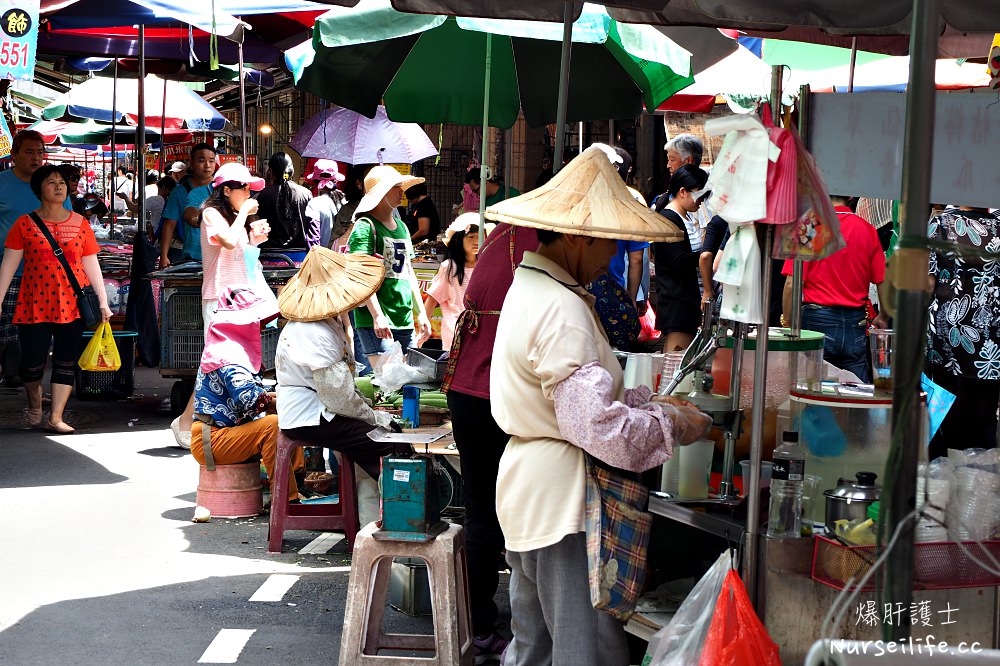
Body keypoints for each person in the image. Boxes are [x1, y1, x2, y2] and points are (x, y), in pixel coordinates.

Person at [487, 146, 712, 666]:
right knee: (580, 650)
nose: (611, 252)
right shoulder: (561, 306)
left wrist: (646, 402)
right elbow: (593, 423)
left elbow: (575, 397)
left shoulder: (532, 286)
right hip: (562, 503)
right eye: (607, 240)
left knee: (534, 647)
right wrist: (670, 422)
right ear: (577, 236)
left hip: (530, 492)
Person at [442, 215, 539, 664]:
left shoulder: (505, 235)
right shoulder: (539, 248)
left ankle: (479, 623)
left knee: (483, 509)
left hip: (468, 389)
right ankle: (491, 625)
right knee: (503, 514)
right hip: (495, 395)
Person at [275, 246, 406, 483]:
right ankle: (399, 511)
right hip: (311, 417)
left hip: (320, 410)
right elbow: (338, 397)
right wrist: (373, 417)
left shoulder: (325, 323)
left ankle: (378, 510)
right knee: (390, 445)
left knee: (387, 436)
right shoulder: (314, 331)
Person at [0, 164, 113, 433]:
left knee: (65, 361)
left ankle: (57, 417)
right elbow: (8, 264)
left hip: (72, 304)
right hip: (33, 304)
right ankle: (34, 401)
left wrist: (103, 302)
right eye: (51, 182)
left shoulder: (81, 223)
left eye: (62, 182)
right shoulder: (24, 224)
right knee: (31, 364)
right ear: (39, 189)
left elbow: (91, 264)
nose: (59, 186)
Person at [170, 162, 270, 450]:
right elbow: (226, 242)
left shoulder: (234, 216)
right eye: (245, 188)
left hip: (240, 297)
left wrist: (255, 238)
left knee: (230, 363)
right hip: (219, 298)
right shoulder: (212, 213)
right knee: (214, 363)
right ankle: (186, 423)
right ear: (227, 190)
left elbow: (241, 255)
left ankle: (208, 423)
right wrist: (244, 218)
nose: (250, 194)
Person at [191, 287, 304, 504]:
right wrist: (289, 401)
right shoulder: (228, 354)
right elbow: (252, 401)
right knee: (273, 425)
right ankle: (287, 501)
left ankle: (298, 482)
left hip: (226, 433)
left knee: (285, 419)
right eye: (257, 322)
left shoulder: (228, 348)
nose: (261, 327)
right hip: (212, 439)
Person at [781, 195, 886, 383]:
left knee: (813, 390)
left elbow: (791, 283)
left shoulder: (810, 226)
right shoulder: (866, 229)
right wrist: (883, 316)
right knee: (857, 394)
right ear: (851, 196)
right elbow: (883, 280)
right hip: (856, 324)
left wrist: (788, 320)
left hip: (816, 322)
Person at [925, 206, 1000, 459]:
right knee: (984, 416)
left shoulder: (942, 224)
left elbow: (927, 285)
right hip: (991, 341)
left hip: (948, 340)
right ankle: (981, 481)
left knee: (947, 416)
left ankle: (948, 482)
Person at [0, 130, 72, 389]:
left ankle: (26, 381)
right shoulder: (2, 183)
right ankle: (13, 374)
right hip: (8, 271)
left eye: (40, 152)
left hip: (47, 276)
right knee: (6, 330)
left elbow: (68, 223)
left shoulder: (53, 185)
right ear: (14, 155)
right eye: (29, 152)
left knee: (38, 334)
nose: (36, 157)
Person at [347, 165, 431, 371]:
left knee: (406, 380)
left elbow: (408, 272)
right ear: (381, 192)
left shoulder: (402, 226)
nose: (402, 191)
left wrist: (420, 313)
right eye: (396, 187)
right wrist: (377, 315)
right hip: (376, 318)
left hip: (404, 317)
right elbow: (361, 275)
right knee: (388, 381)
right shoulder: (365, 226)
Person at [654, 164, 710, 352]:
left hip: (683, 300)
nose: (701, 201)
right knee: (675, 363)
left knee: (678, 362)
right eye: (699, 194)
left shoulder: (682, 216)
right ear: (683, 191)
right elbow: (677, 261)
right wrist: (705, 255)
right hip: (676, 301)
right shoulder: (669, 218)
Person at [420, 213, 480, 350]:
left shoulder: (486, 266)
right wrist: (424, 326)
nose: (476, 241)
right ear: (459, 239)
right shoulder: (449, 267)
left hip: (480, 335)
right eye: (471, 237)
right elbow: (432, 298)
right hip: (455, 334)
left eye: (479, 236)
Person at [159, 143, 217, 269]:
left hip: (221, 258)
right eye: (201, 160)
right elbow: (169, 224)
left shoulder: (223, 188)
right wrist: (164, 255)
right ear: (191, 163)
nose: (207, 165)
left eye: (211, 161)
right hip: (192, 259)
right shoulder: (180, 192)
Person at [256, 152, 315, 262]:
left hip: (269, 259)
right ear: (291, 171)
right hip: (299, 259)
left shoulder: (263, 195)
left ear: (271, 171)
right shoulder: (306, 194)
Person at [303, 159, 347, 249]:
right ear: (336, 181)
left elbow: (313, 238)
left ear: (315, 181)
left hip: (321, 257)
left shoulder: (314, 204)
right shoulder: (343, 201)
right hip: (339, 257)